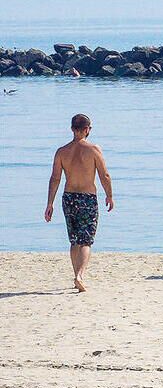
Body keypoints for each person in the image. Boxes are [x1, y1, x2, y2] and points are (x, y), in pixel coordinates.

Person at [44, 113, 113, 291]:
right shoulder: (93, 149)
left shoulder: (62, 151)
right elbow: (104, 175)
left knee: (74, 240)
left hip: (68, 198)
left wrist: (49, 203)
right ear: (87, 129)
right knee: (86, 241)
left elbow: (55, 178)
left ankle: (77, 276)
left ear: (72, 129)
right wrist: (109, 195)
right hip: (87, 198)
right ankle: (79, 276)